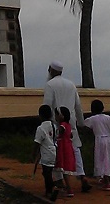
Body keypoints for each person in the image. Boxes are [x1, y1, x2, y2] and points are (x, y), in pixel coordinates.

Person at [44, 60, 90, 192]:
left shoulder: (50, 85)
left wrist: (45, 124)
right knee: (75, 150)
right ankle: (82, 177)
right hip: (71, 122)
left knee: (57, 152)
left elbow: (47, 105)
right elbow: (78, 106)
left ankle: (60, 181)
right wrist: (81, 123)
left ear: (51, 70)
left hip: (56, 123)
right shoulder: (71, 85)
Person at [83, 99, 110, 191]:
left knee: (100, 159)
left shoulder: (92, 119)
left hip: (99, 140)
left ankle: (106, 181)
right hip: (109, 139)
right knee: (108, 159)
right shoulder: (108, 118)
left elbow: (86, 128)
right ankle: (105, 178)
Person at [32, 104, 60, 200]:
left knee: (46, 173)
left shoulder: (40, 128)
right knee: (48, 172)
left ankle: (51, 189)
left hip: (46, 153)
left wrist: (33, 153)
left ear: (40, 115)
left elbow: (37, 142)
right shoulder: (54, 125)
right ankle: (51, 188)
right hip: (54, 151)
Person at [54, 106, 76, 197]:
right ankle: (67, 187)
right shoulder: (69, 125)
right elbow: (70, 135)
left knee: (64, 168)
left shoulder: (62, 125)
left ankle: (68, 188)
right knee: (65, 168)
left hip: (63, 148)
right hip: (68, 146)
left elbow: (59, 132)